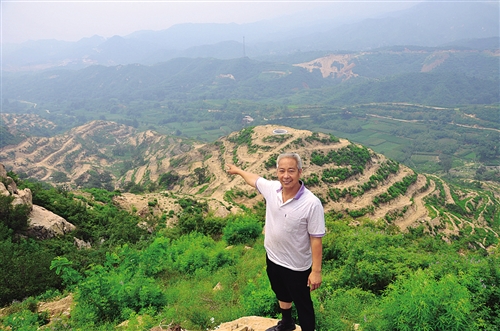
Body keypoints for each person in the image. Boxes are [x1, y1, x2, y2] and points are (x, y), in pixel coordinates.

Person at [226, 152, 325, 331]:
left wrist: (316, 271)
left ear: (300, 172)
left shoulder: (312, 203)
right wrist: (238, 171)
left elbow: (316, 238)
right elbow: (255, 179)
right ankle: (287, 323)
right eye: (281, 171)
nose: (286, 176)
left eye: (291, 171)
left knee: (303, 303)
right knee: (280, 291)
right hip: (273, 257)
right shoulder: (273, 189)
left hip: (297, 266)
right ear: (277, 172)